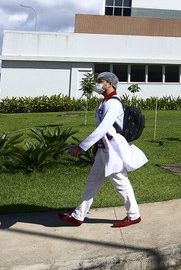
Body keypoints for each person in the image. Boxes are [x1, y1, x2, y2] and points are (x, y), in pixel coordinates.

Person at [57, 72, 148, 228]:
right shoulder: (105, 102)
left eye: (101, 81)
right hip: (104, 149)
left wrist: (81, 147)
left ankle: (134, 215)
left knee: (120, 181)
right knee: (93, 181)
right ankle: (78, 215)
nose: (97, 85)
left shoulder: (113, 103)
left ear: (110, 84)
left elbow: (103, 128)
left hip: (113, 151)